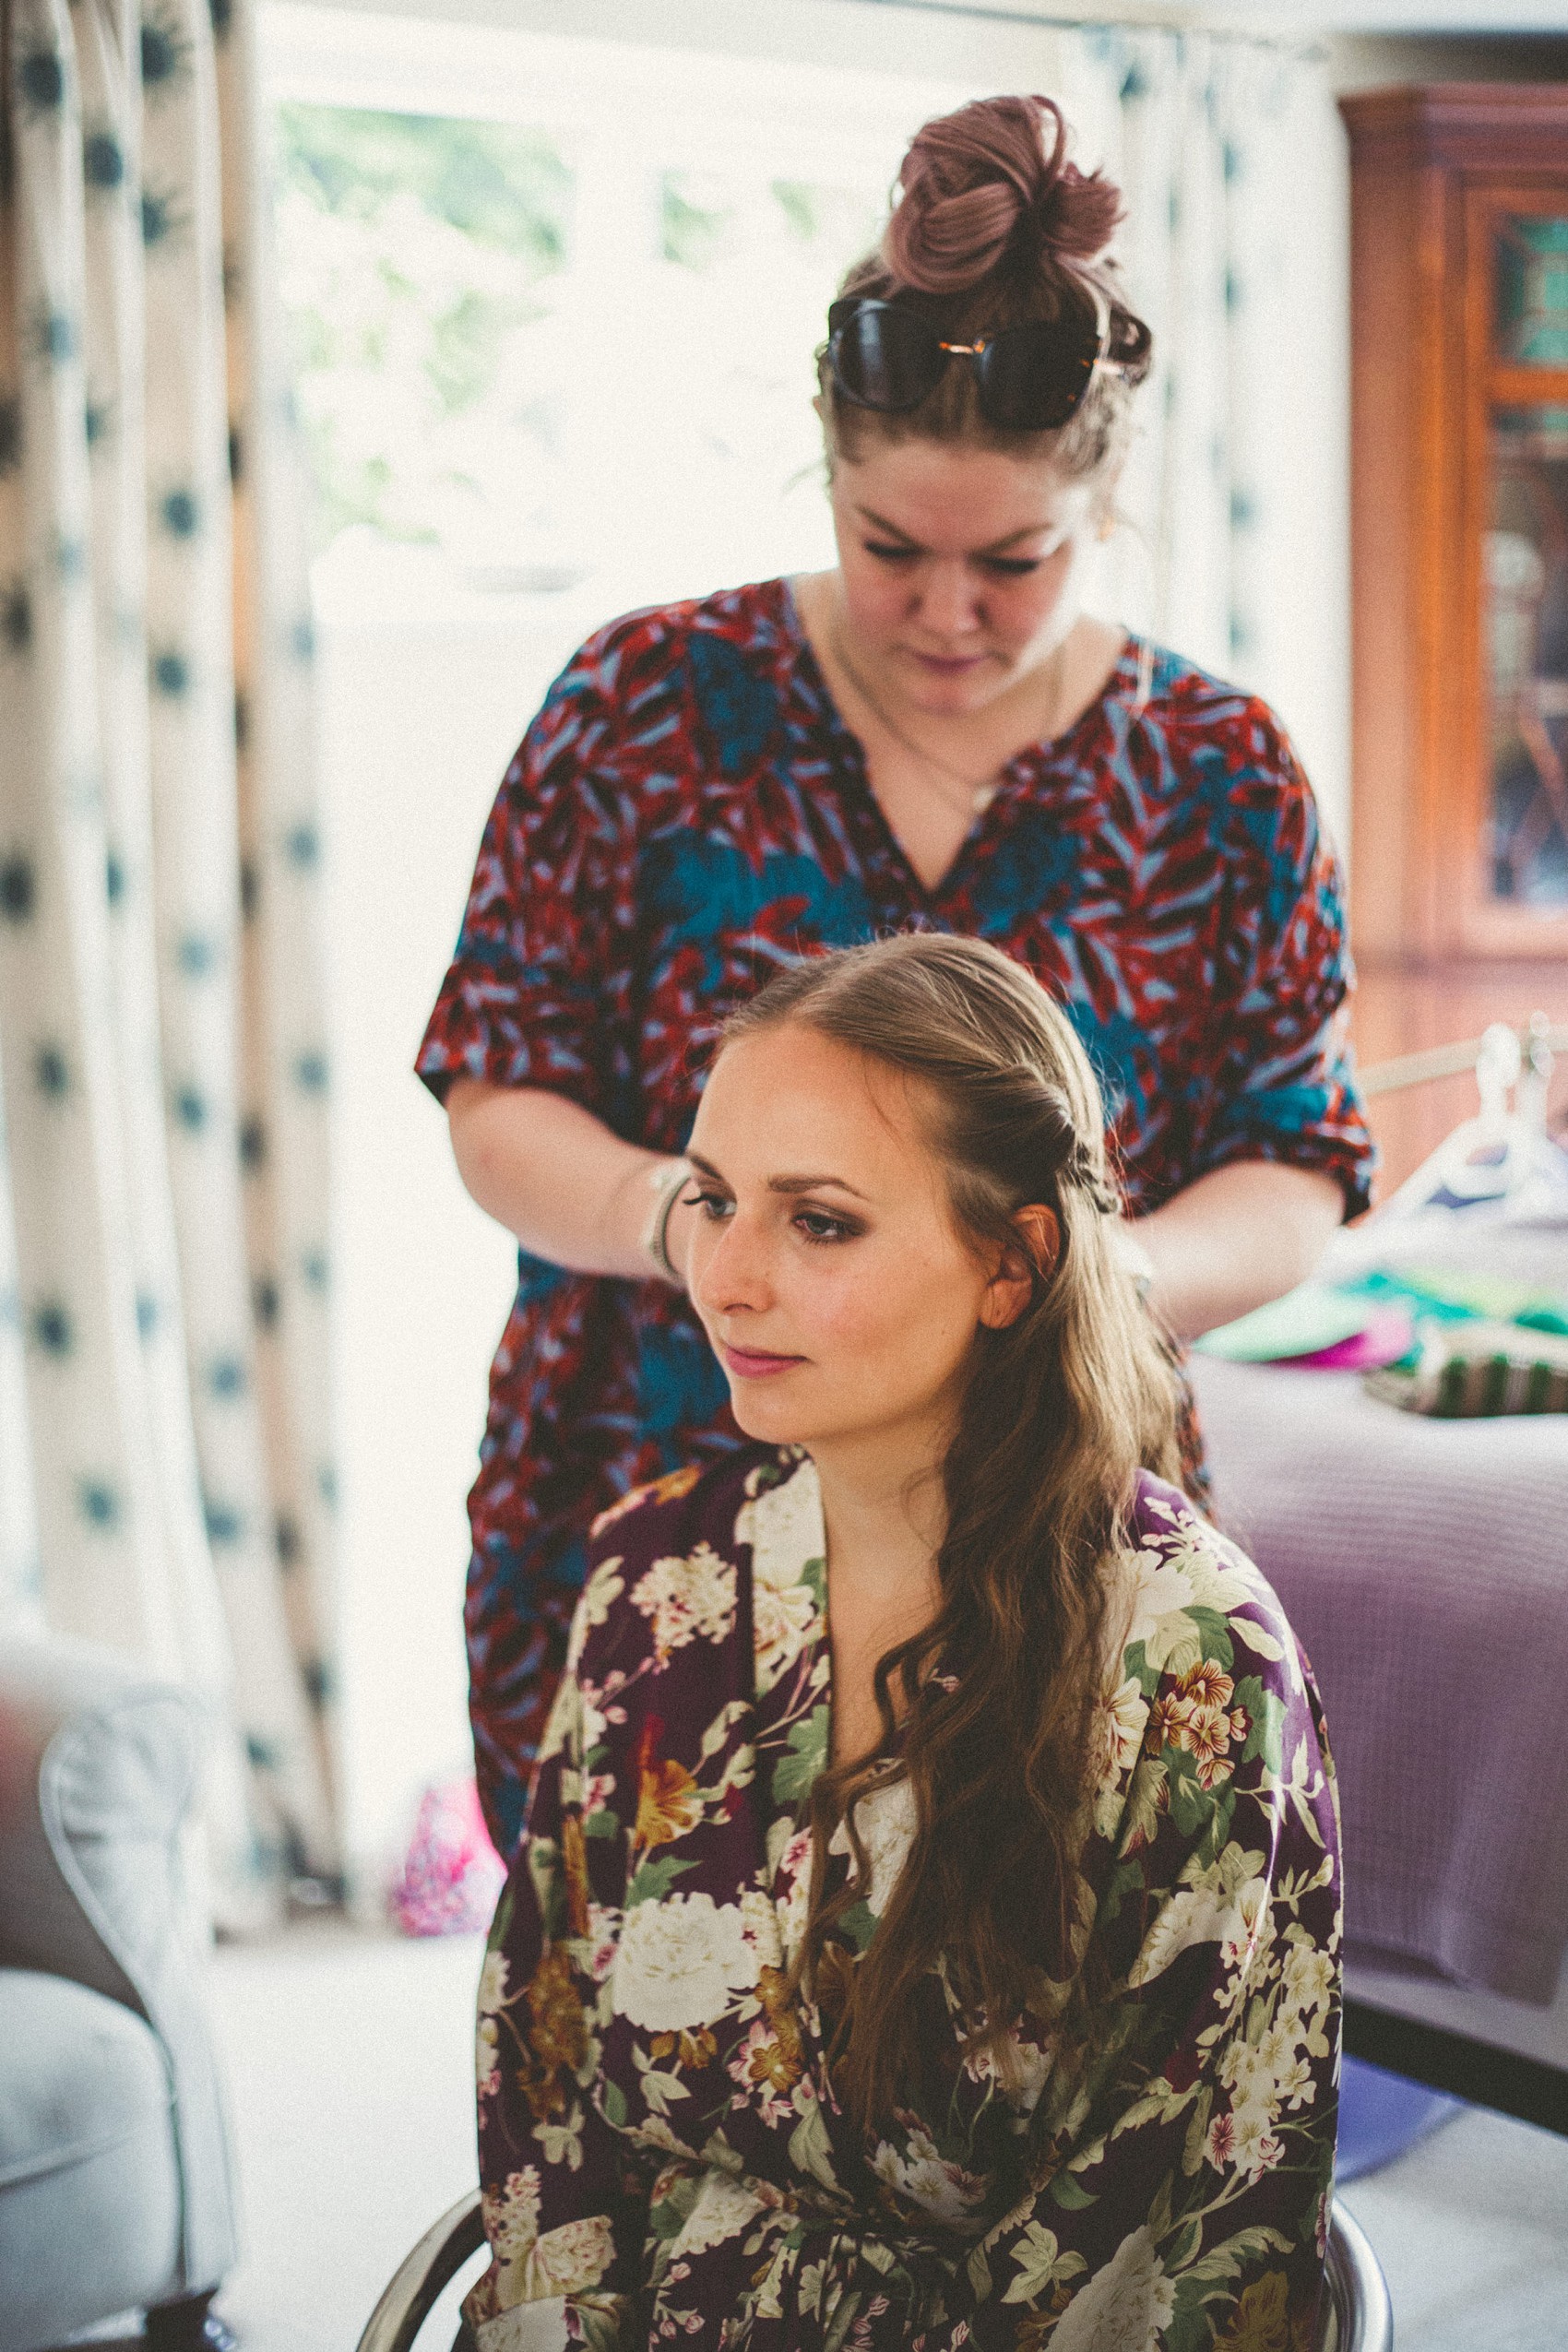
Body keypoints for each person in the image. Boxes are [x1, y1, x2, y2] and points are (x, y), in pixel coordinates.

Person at [418, 91, 1374, 1855]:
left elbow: (1300, 1156)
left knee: (1033, 2004)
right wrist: (696, 1228)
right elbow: (496, 1093)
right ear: (825, 472)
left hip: (1050, 1515)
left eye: (1015, 562)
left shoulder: (1223, 771)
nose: (948, 612)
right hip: (652, 1469)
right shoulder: (639, 707)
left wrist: (1074, 1280)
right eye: (891, 549)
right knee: (644, 2027)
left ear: (1104, 507)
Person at [462, 934, 1342, 2352]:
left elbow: (1161, 2239)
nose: (726, 1278)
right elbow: (545, 2079)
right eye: (712, 1200)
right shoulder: (650, 1584)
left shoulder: (1190, 1660)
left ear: (1015, 1261)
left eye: (819, 1222)